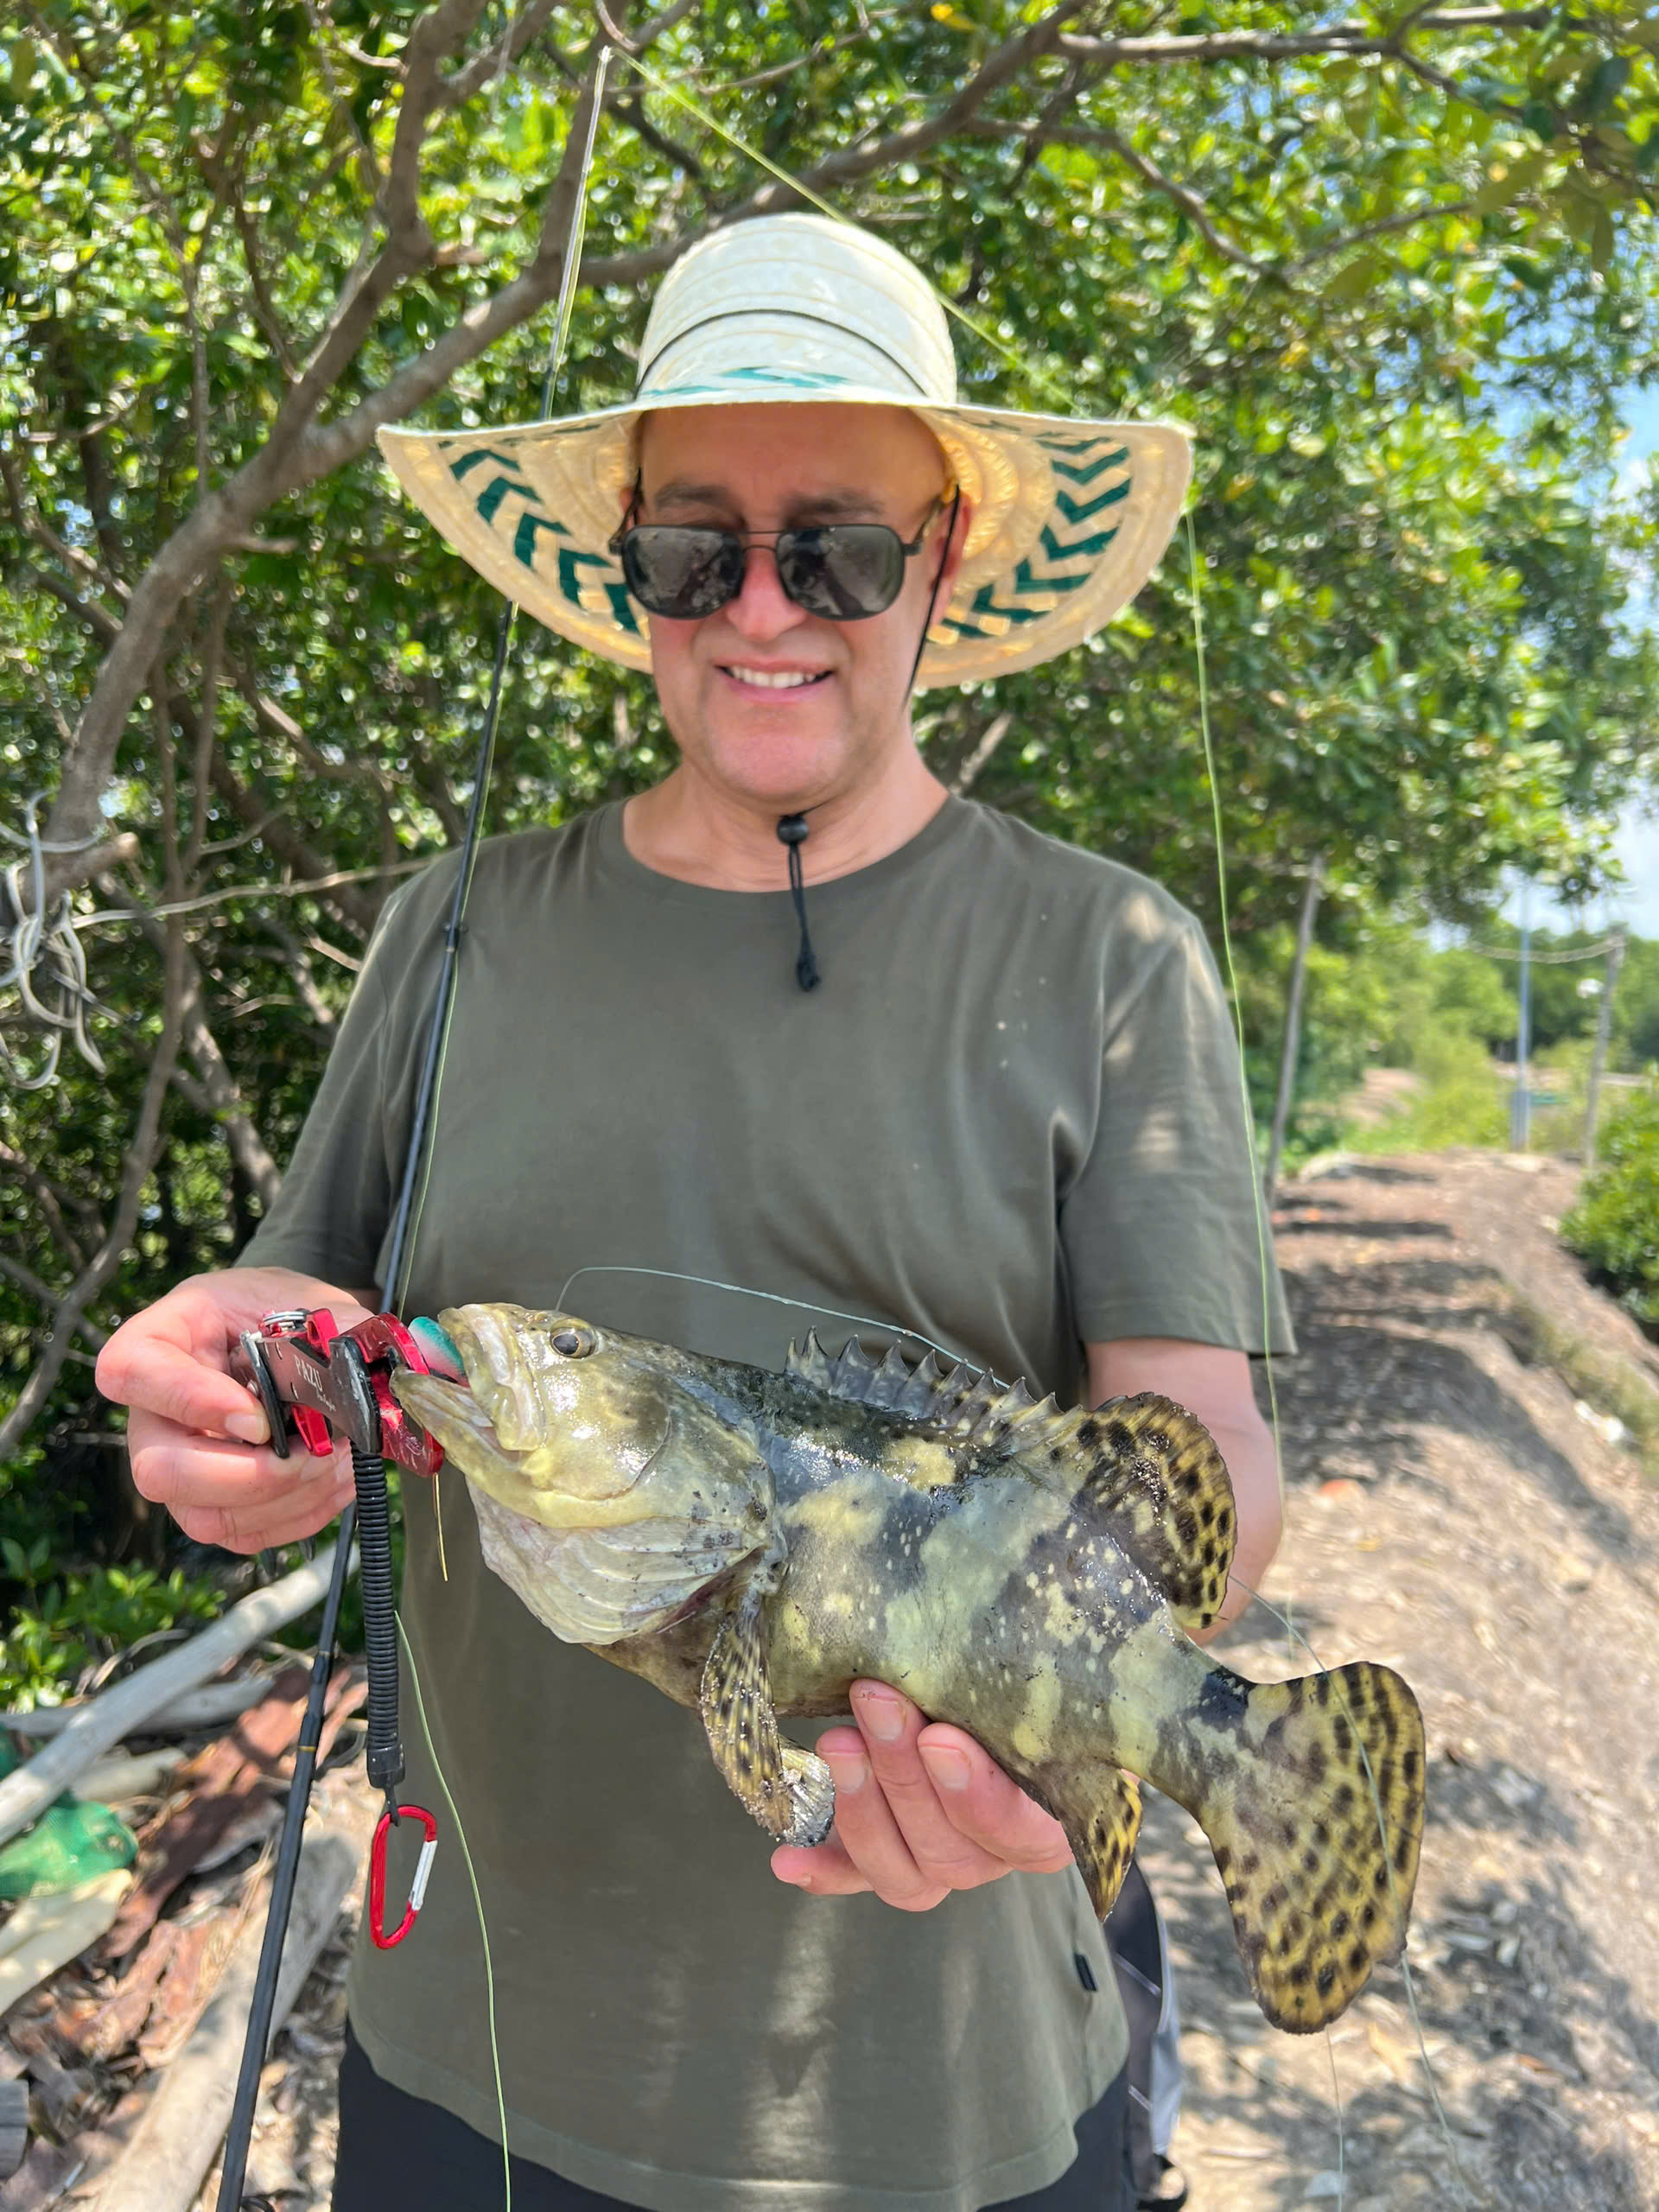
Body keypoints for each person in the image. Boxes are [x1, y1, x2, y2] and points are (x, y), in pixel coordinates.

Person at [96, 213, 1294, 2212]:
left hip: (950, 2089)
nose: (763, 607)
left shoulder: (1113, 954)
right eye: (690, 548)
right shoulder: (456, 924)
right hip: (466, 2043)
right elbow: (327, 1294)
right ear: (621, 559)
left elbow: (1212, 1457)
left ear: (949, 559)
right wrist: (245, 1386)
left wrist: (1081, 1711)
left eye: (837, 546)